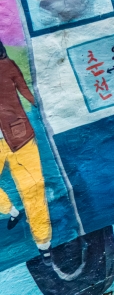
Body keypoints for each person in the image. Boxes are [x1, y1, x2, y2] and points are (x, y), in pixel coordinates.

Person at [0, 39, 52, 253]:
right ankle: (10, 210)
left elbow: (26, 91)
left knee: (33, 190)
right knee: (32, 190)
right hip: (15, 138)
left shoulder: (7, 66)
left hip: (20, 138)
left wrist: (46, 109)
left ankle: (44, 243)